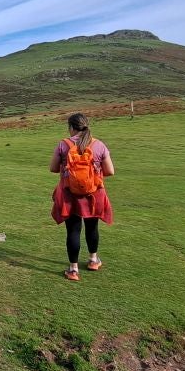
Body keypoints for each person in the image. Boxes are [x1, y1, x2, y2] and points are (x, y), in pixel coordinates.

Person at [49, 112, 115, 281]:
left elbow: (53, 168)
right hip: (94, 194)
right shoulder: (99, 145)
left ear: (71, 127)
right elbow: (110, 171)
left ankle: (73, 270)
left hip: (69, 195)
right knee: (92, 228)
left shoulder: (63, 145)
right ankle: (93, 260)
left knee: (73, 230)